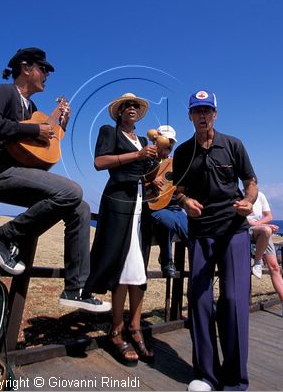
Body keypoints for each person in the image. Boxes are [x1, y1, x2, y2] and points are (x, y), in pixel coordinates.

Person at [0, 47, 110, 313]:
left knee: (79, 206)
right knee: (73, 190)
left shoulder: (31, 107)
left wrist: (59, 128)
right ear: (26, 68)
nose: (47, 74)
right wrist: (33, 129)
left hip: (17, 174)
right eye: (43, 69)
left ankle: (74, 289)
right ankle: (4, 235)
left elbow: (36, 153)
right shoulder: (5, 92)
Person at [173, 89, 258, 392]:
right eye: (197, 111)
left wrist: (248, 201)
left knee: (234, 301)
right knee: (199, 302)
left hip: (234, 230)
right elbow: (177, 190)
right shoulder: (182, 152)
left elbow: (251, 183)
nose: (203, 116)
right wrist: (184, 202)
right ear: (190, 116)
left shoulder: (234, 145)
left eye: (207, 110)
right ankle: (206, 376)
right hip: (201, 233)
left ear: (216, 114)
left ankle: (235, 380)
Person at [82, 92, 158, 366]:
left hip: (140, 202)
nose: (132, 108)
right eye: (127, 105)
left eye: (136, 105)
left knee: (138, 266)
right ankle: (117, 330)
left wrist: (154, 164)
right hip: (118, 200)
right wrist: (136, 154)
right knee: (121, 264)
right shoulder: (108, 132)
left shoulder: (145, 140)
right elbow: (100, 162)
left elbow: (146, 172)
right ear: (118, 112)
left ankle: (135, 328)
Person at [248, 191, 283, 323]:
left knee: (275, 268)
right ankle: (258, 261)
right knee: (267, 230)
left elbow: (269, 216)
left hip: (262, 231)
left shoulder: (260, 195)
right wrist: (260, 225)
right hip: (246, 230)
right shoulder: (237, 195)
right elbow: (241, 219)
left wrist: (260, 224)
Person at [147, 125, 188, 277]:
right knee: (168, 222)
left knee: (191, 234)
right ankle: (166, 259)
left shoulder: (175, 162)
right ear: (157, 141)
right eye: (167, 141)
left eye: (172, 142)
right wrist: (150, 180)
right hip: (154, 206)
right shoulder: (146, 158)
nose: (169, 145)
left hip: (175, 207)